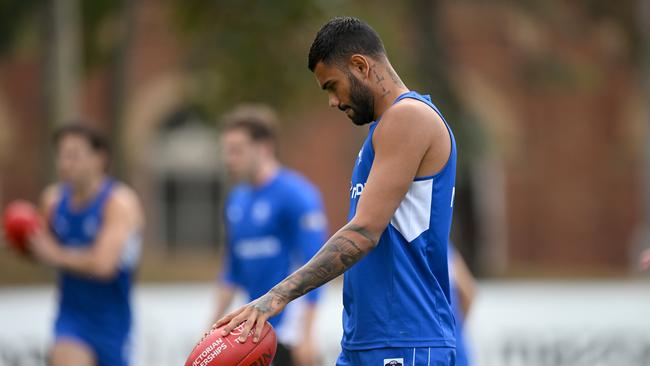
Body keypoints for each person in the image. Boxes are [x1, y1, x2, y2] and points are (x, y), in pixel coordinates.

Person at [215, 17, 458, 365]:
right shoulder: (383, 131)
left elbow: (363, 233)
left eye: (332, 85)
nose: (332, 101)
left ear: (360, 66)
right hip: (368, 339)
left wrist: (275, 297)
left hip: (407, 340)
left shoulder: (409, 118)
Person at [215, 105, 328, 366]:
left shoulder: (296, 194)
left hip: (290, 333)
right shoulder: (236, 200)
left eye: (237, 150)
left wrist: (307, 336)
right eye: (227, 151)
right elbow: (231, 272)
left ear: (264, 148)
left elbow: (316, 265)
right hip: (253, 335)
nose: (229, 159)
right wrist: (213, 328)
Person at [28, 124, 144, 366]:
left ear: (99, 158)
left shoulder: (119, 203)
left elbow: (103, 265)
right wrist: (23, 242)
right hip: (71, 317)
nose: (65, 162)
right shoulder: (52, 200)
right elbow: (39, 251)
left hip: (113, 322)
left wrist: (53, 253)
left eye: (74, 155)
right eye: (61, 154)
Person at [449, 245, 478, 366]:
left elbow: (469, 293)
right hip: (455, 343)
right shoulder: (445, 247)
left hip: (440, 347)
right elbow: (469, 292)